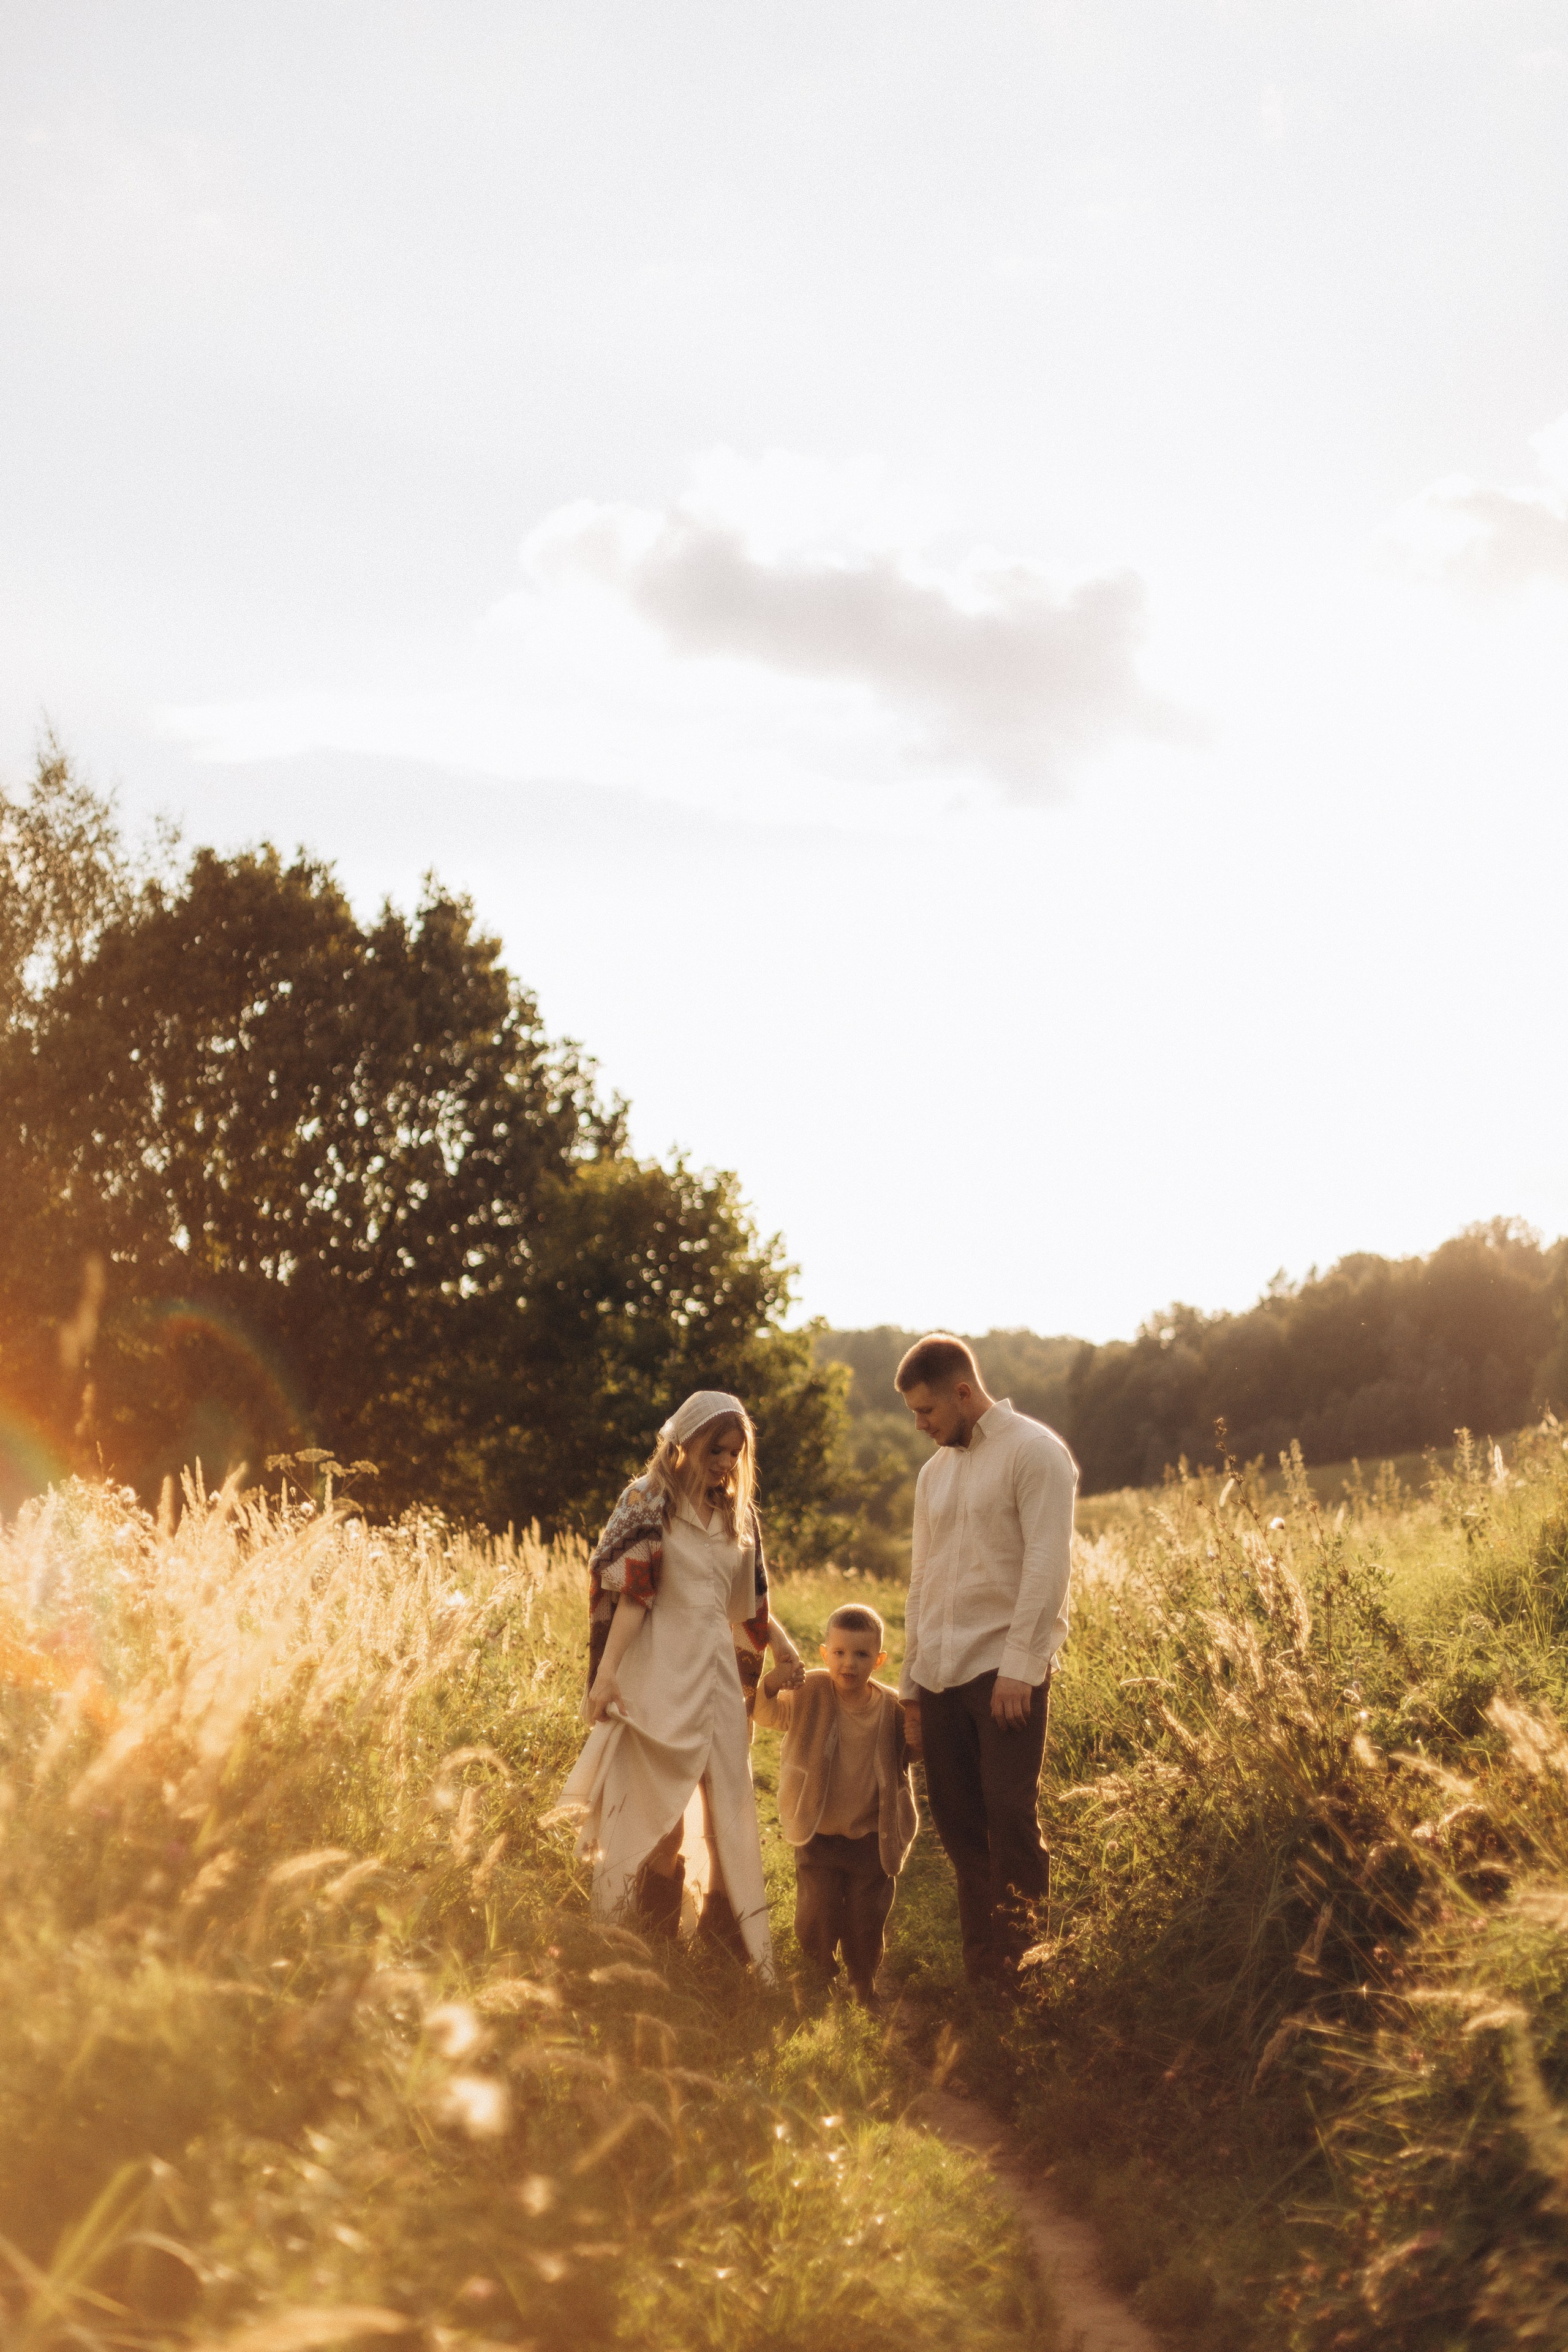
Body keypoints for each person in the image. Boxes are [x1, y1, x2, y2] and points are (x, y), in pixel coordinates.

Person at [557, 1391, 802, 1972]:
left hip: (715, 1671)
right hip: (657, 1670)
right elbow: (633, 1597)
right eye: (715, 1449)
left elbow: (748, 1604)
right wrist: (607, 1675)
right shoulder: (647, 1504)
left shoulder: (736, 1516)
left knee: (728, 1805)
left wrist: (785, 1647)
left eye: (734, 1453)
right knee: (655, 1810)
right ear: (684, 1440)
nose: (724, 1462)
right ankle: (645, 1937)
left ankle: (729, 1944)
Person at [895, 1334, 1077, 1988]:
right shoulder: (933, 1473)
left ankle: (1025, 1970)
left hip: (1003, 1674)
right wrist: (911, 1680)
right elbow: (924, 1576)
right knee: (960, 1824)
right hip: (940, 1673)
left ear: (962, 1393)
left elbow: (1047, 1565)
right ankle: (984, 1976)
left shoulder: (1035, 1452)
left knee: (1009, 1816)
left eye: (927, 1412)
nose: (920, 1426)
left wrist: (1020, 1668)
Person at [753, 1603, 918, 2005]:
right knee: (818, 1912)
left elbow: (915, 1751)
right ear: (826, 1654)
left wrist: (919, 1720)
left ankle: (864, 1982)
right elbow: (766, 1713)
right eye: (840, 1653)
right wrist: (773, 1683)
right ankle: (818, 1975)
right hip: (819, 1830)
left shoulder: (892, 1709)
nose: (849, 1664)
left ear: (878, 1660)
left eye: (861, 1655)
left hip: (871, 1836)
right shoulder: (810, 1691)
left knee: (867, 1917)